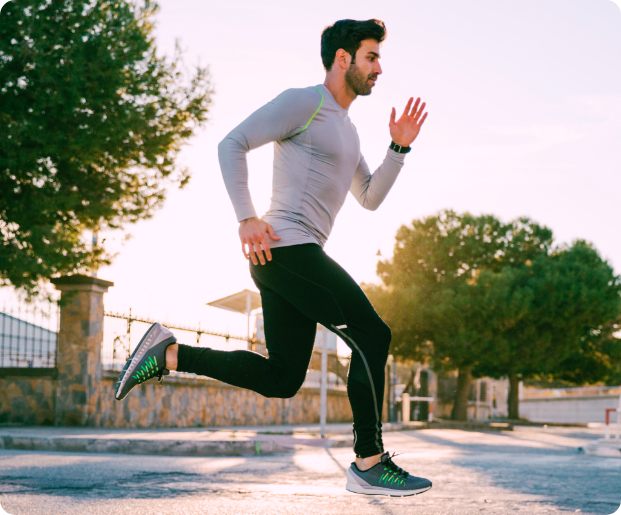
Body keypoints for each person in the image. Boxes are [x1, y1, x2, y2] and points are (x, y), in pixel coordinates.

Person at [114, 18, 430, 497]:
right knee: (372, 333)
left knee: (283, 378)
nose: (379, 68)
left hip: (293, 256)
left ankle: (169, 352)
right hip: (285, 247)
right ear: (342, 59)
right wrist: (246, 216)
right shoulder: (304, 102)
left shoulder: (347, 130)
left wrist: (399, 147)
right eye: (371, 57)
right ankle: (369, 460)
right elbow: (231, 144)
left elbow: (368, 196)